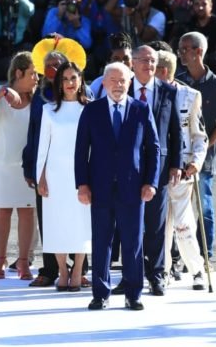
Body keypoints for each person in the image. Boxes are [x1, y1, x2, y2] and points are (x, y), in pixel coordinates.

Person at [74, 62, 160, 311]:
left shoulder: (141, 109)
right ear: (104, 82)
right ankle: (100, 293)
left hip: (133, 188)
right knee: (101, 242)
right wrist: (82, 184)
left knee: (133, 242)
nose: (118, 85)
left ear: (129, 83)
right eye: (113, 80)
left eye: (123, 80)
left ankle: (133, 293)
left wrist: (150, 182)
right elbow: (81, 151)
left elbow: (153, 149)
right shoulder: (92, 111)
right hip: (99, 187)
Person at [121, 46, 181, 297]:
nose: (149, 65)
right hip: (128, 165)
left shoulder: (168, 91)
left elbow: (175, 130)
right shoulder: (123, 88)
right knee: (129, 224)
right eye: (144, 60)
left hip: (160, 166)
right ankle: (130, 275)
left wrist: (177, 163)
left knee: (156, 224)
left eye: (153, 61)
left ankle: (156, 275)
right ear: (132, 63)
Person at [176, 31, 216, 286]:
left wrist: (206, 147)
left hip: (204, 157)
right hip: (181, 155)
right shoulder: (180, 81)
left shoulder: (215, 83)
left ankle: (206, 253)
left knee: (204, 207)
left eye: (185, 49)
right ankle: (180, 256)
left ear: (198, 52)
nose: (181, 53)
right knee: (180, 207)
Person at [0, 53, 38, 281]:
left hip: (26, 166)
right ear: (18, 73)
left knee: (26, 212)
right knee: (2, 212)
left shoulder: (37, 98)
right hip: (0, 163)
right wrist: (3, 93)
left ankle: (24, 261)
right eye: (32, 74)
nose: (36, 78)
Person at [154, 51, 209, 290]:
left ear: (163, 71)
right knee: (160, 226)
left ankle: (196, 270)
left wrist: (197, 161)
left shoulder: (190, 96)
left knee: (184, 225)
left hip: (184, 170)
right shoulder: (148, 95)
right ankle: (162, 271)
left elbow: (200, 136)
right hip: (157, 169)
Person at [37, 62, 92, 291]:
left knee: (81, 221)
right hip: (55, 174)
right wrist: (40, 176)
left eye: (73, 78)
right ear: (58, 84)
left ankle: (78, 269)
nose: (69, 83)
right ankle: (61, 269)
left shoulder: (90, 108)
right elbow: (43, 146)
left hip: (82, 174)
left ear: (80, 81)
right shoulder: (48, 110)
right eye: (65, 79)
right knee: (56, 222)